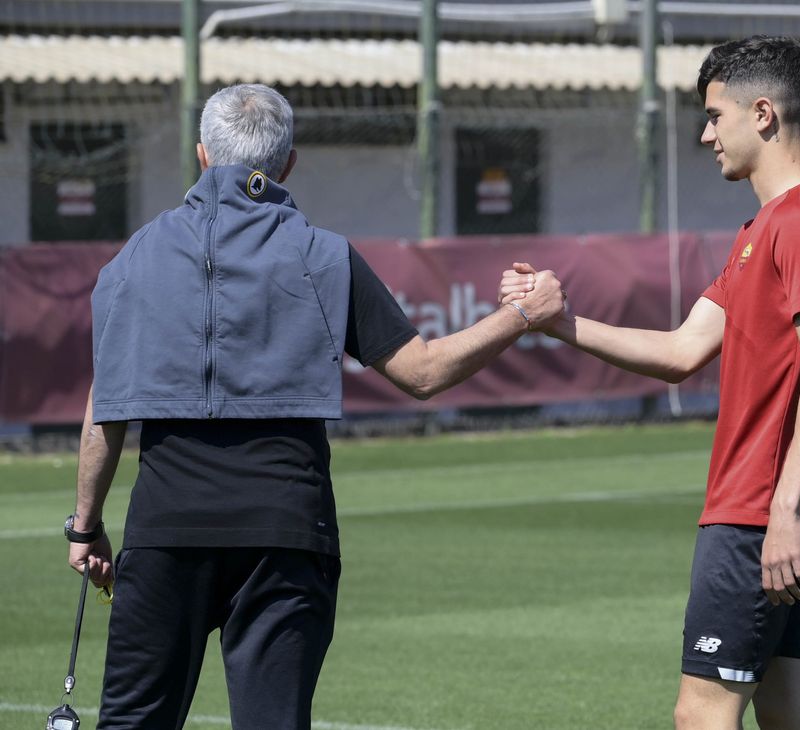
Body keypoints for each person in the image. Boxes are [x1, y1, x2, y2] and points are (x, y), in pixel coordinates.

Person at [66, 83, 565, 730]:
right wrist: (522, 315)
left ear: (201, 155)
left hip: (166, 529)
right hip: (287, 530)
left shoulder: (134, 256)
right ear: (289, 163)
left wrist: (85, 527)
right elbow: (423, 373)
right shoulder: (323, 253)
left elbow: (104, 410)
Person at [500, 36, 800, 730]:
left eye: (715, 116)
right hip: (767, 506)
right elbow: (680, 349)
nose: (705, 134)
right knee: (789, 711)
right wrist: (559, 321)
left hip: (762, 510)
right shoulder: (762, 229)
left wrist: (782, 510)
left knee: (701, 715)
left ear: (762, 114)